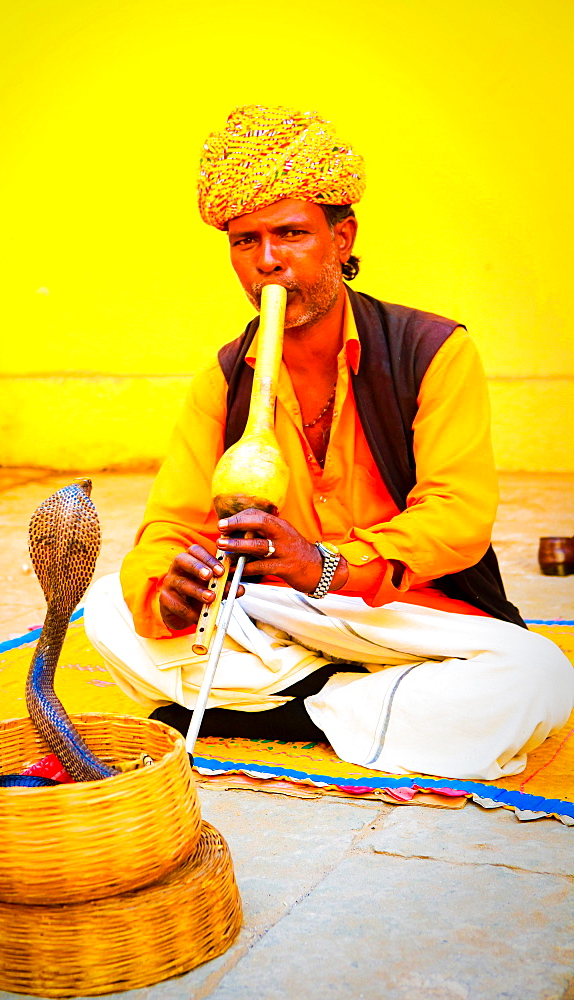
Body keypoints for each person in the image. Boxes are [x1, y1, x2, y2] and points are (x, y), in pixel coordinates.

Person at [85, 105, 573, 781]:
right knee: (110, 608)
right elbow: (169, 526)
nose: (268, 262)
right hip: (277, 612)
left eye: (291, 234)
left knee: (539, 675)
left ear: (341, 240)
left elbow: (458, 518)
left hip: (402, 610)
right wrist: (170, 592)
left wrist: (325, 565)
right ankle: (353, 709)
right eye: (245, 241)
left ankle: (289, 712)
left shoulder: (433, 351)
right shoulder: (225, 377)